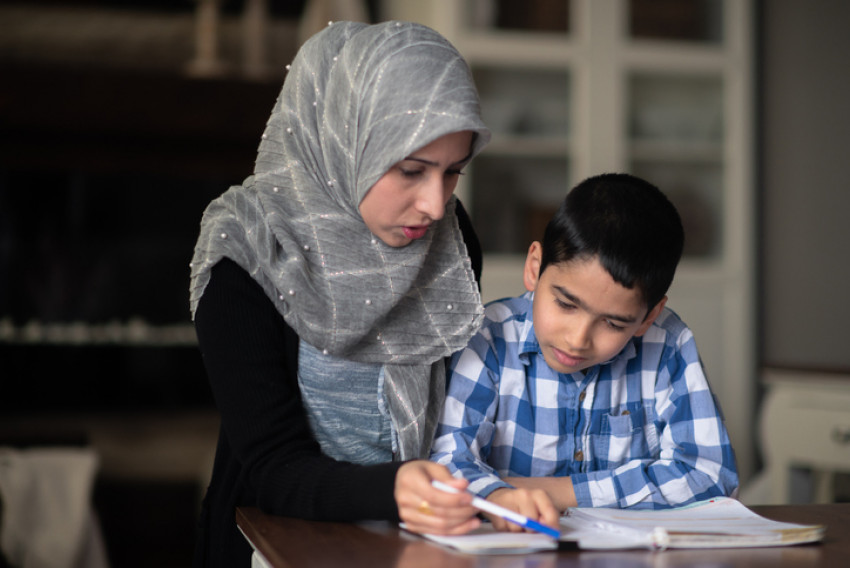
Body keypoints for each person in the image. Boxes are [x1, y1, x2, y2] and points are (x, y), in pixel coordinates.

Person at [188, 20, 497, 567]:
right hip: (276, 545)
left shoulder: (449, 239)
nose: (434, 204)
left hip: (421, 541)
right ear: (343, 140)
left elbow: (461, 417)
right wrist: (394, 488)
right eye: (411, 170)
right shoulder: (250, 247)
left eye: (453, 172)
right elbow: (274, 470)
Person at [430, 173, 739, 524]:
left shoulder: (668, 343)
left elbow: (711, 476)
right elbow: (445, 463)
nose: (578, 339)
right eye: (566, 304)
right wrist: (500, 497)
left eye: (614, 324)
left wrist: (547, 493)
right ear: (535, 268)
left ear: (648, 317)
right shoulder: (488, 338)